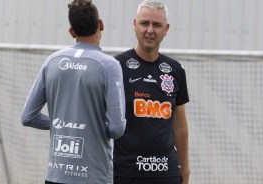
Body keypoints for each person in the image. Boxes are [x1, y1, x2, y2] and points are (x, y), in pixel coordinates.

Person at [21, 0, 126, 183]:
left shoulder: (52, 61)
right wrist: (88, 127)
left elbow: (28, 117)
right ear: (101, 24)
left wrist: (65, 124)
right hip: (93, 175)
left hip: (56, 175)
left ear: (72, 32)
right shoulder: (109, 65)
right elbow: (117, 129)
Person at [113, 0, 190, 184]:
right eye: (144, 23)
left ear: (166, 28)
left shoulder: (175, 70)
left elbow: (180, 126)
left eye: (157, 25)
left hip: (166, 173)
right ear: (134, 25)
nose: (150, 30)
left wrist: (185, 169)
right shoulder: (115, 67)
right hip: (124, 173)